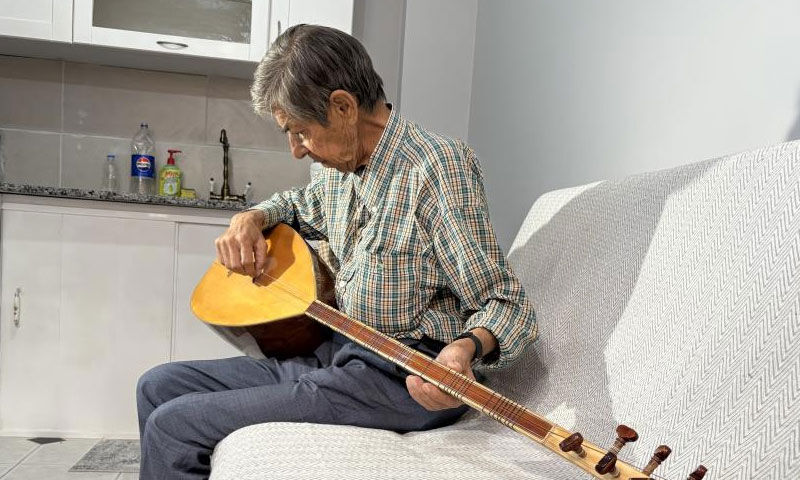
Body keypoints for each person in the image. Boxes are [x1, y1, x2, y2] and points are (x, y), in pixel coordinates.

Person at [136, 24, 537, 480]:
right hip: (341, 354)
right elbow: (295, 206)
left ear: (343, 107)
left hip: (399, 377)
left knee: (175, 426)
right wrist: (251, 217)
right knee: (157, 386)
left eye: (300, 132)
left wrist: (464, 349)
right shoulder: (337, 170)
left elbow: (507, 303)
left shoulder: (437, 169)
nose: (295, 150)